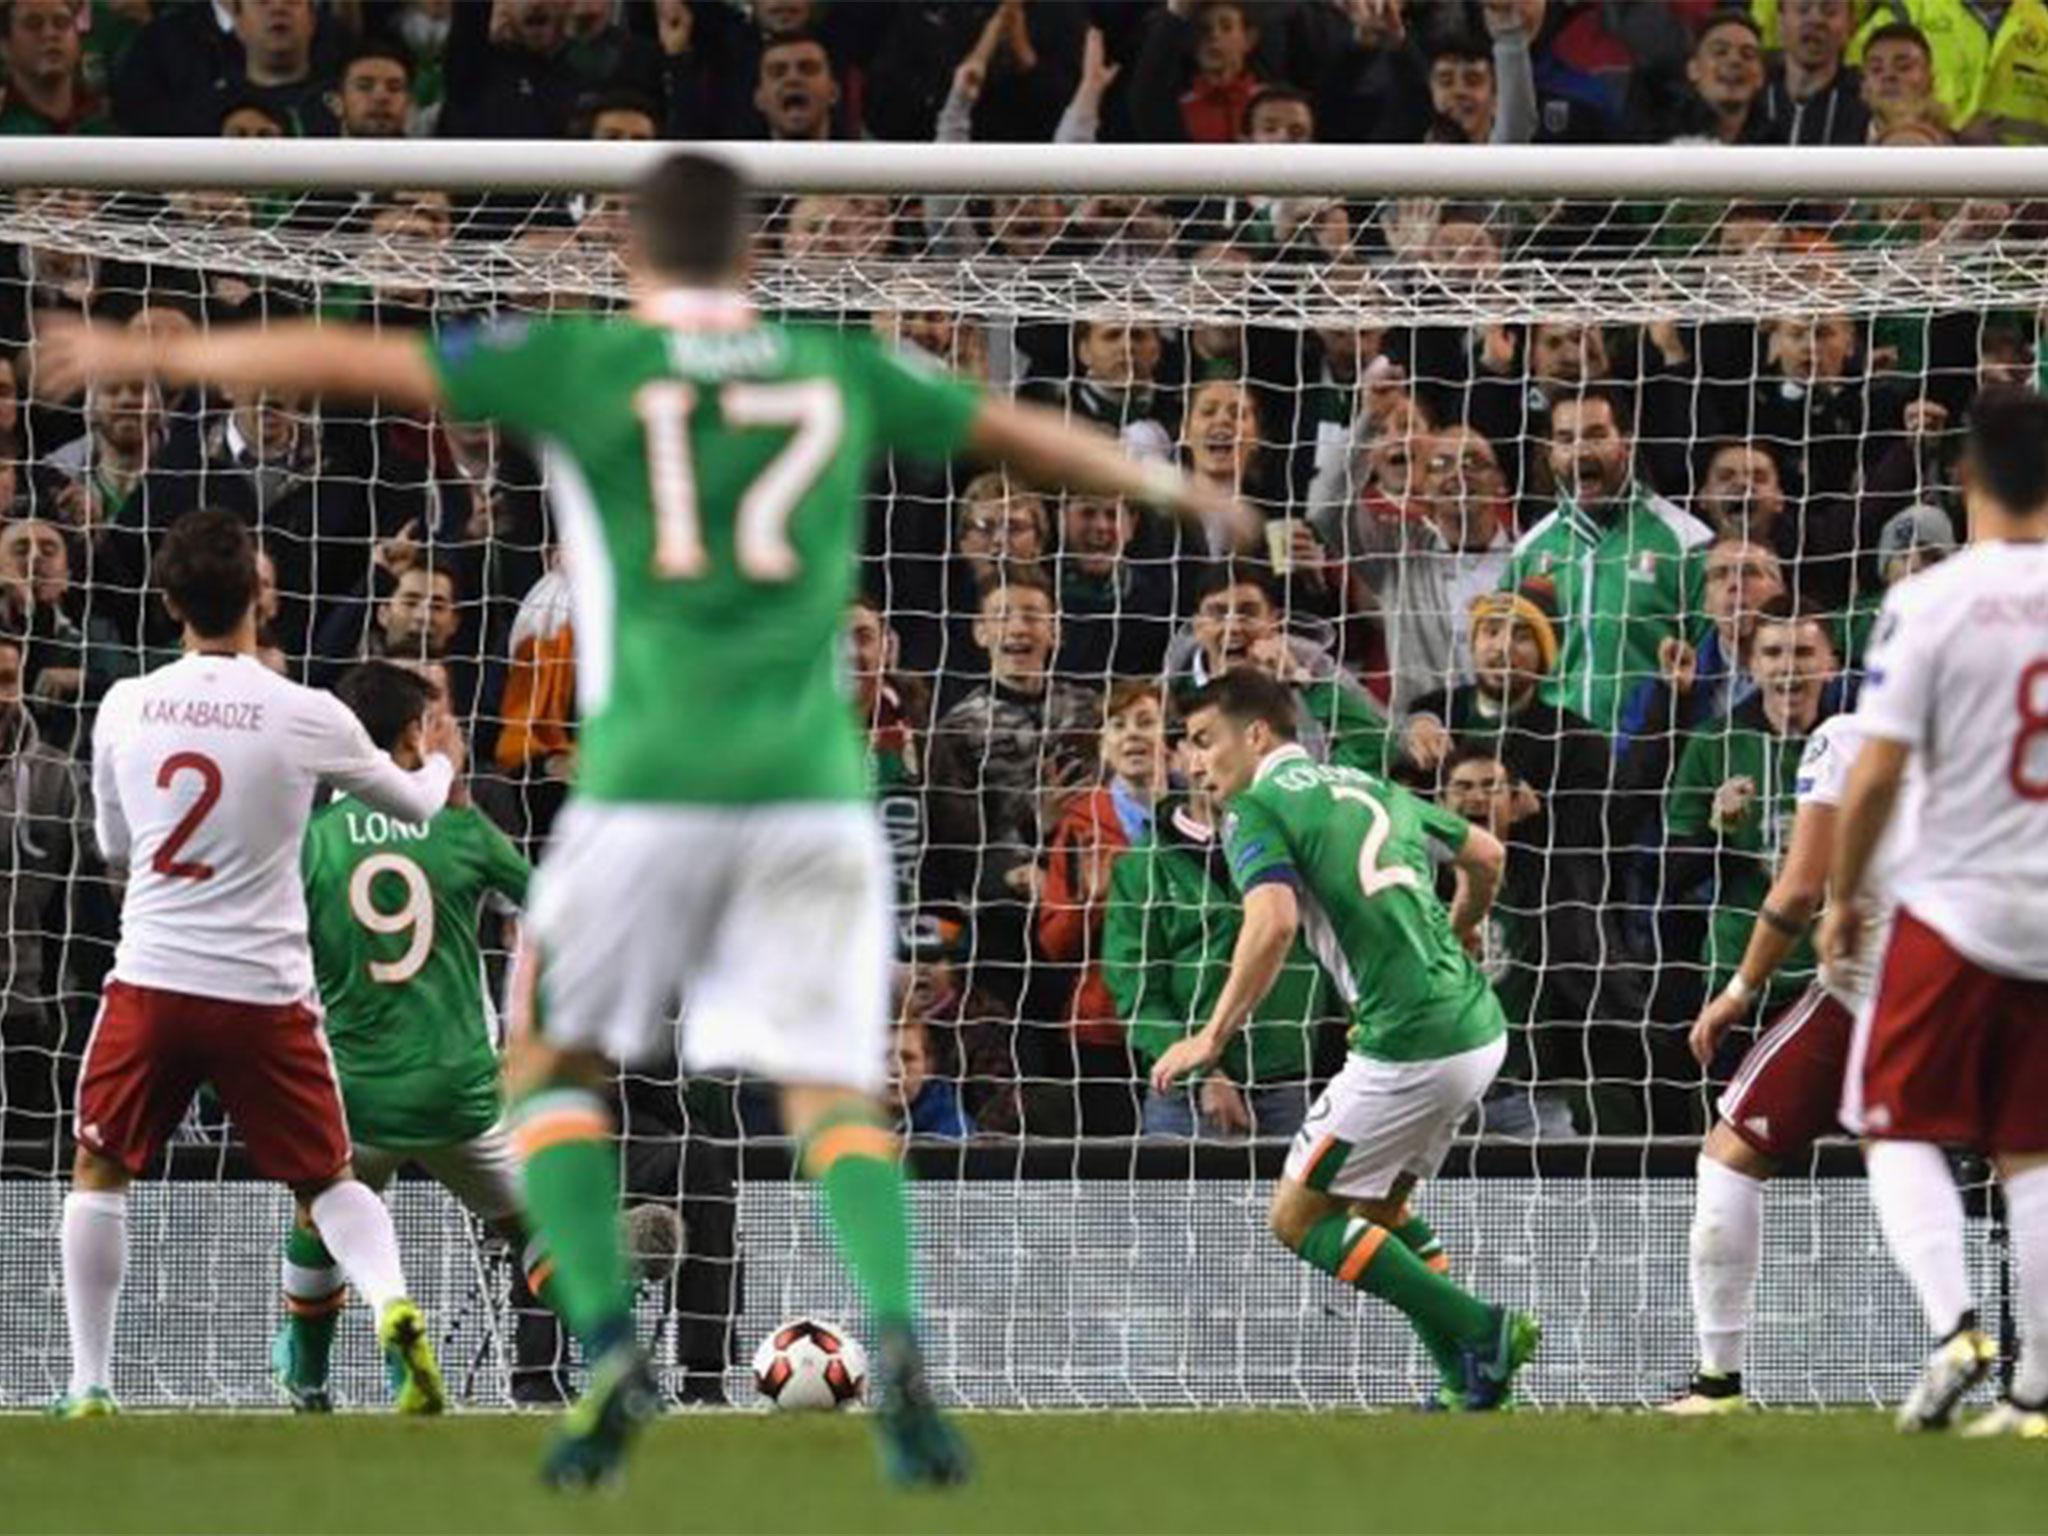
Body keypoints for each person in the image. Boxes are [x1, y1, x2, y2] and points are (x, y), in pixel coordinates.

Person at [38, 149, 1253, 1485]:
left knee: (551, 1058)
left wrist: (152, 353)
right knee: (832, 1090)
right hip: (812, 784)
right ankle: (898, 1341)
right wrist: (1167, 490)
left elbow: (361, 362)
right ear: (753, 253)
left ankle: (611, 1343)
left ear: (634, 253)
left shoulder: (586, 363)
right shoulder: (834, 367)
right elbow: (1000, 427)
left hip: (644, 778)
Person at [50, 508, 459, 1419]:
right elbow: (415, 803)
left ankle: (87, 1386)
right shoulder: (307, 712)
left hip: (153, 979)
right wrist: (434, 764)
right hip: (266, 993)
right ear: (260, 603)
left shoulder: (125, 704)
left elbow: (114, 844)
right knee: (327, 1181)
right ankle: (394, 1306)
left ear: (167, 603)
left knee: (98, 1171)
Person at [1150, 668, 1538, 1410]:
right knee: (1381, 1211)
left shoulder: (1255, 808)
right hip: (1476, 1028)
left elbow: (1272, 924)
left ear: (1257, 735)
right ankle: (1471, 1380)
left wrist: (1210, 1038)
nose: (1193, 762)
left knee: (1298, 1220)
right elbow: (1487, 855)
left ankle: (1481, 1332)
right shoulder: (1369, 784)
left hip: (1411, 1042)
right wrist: (1453, 937)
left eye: (1204, 741)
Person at [1819, 387, 2048, 1437]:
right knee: (2031, 1147)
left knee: (1886, 1114)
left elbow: (1872, 775)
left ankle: (1955, 1324)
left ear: (1965, 481)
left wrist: (1841, 898)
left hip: (1955, 901)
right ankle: (2035, 1393)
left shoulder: (1936, 599)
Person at [274, 660, 557, 1413]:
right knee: (529, 1224)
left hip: (355, 1089)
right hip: (460, 1089)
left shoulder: (315, 841)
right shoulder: (460, 830)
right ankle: (617, 1358)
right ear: (413, 737)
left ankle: (309, 1377)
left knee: (323, 1207)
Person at [1664, 703, 1915, 1415]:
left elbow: (1802, 886)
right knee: (2019, 1168)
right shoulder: (1997, 736)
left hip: (1861, 994)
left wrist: (1739, 991)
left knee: (1728, 1155)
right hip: (1980, 989)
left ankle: (1717, 1382)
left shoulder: (1847, 738)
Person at [1105, 726, 1326, 1140]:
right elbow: (1134, 990)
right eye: (1202, 743)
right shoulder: (1143, 865)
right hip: (1182, 1098)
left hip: (1287, 1084)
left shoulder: (1300, 851)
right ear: (1176, 756)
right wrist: (1203, 1075)